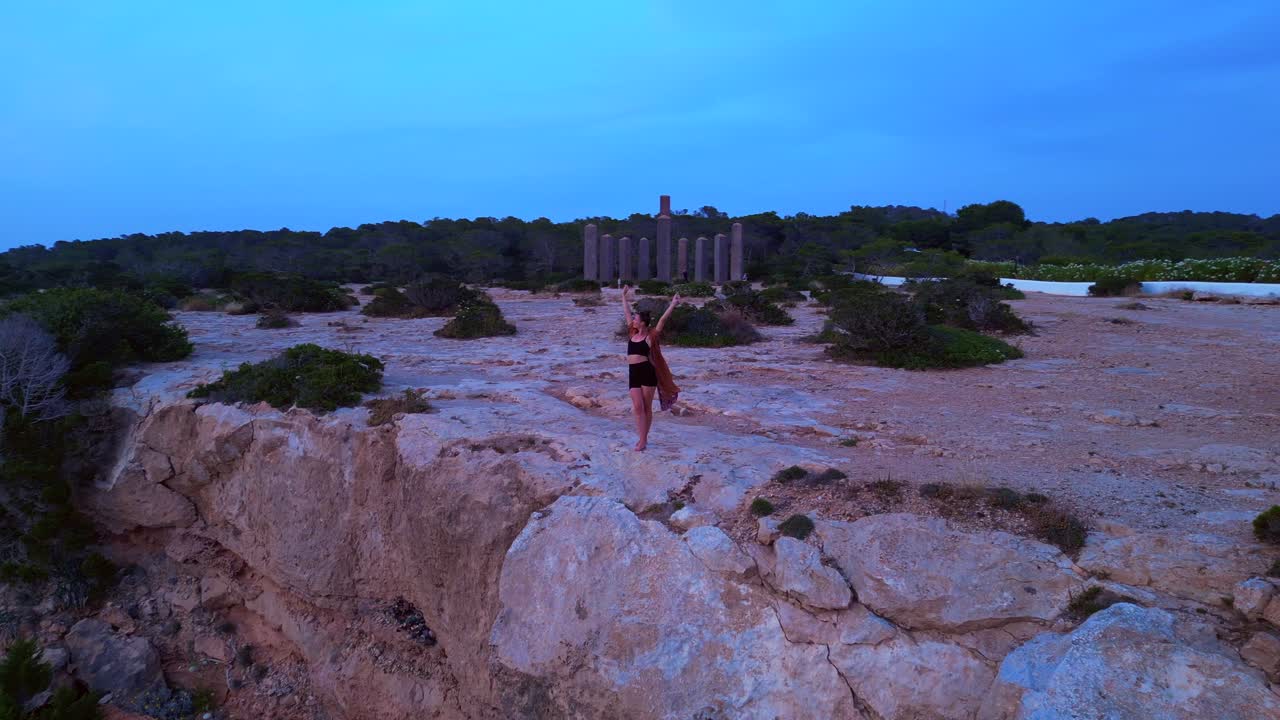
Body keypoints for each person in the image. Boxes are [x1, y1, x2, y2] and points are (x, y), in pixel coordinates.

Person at [621, 286, 681, 451]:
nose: (633, 320)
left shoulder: (650, 336)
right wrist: (623, 297)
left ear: (643, 323)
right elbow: (626, 313)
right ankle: (642, 438)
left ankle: (643, 440)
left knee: (646, 408)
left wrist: (673, 304)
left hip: (647, 373)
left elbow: (662, 321)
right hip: (633, 374)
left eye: (636, 319)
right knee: (637, 407)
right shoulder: (632, 333)